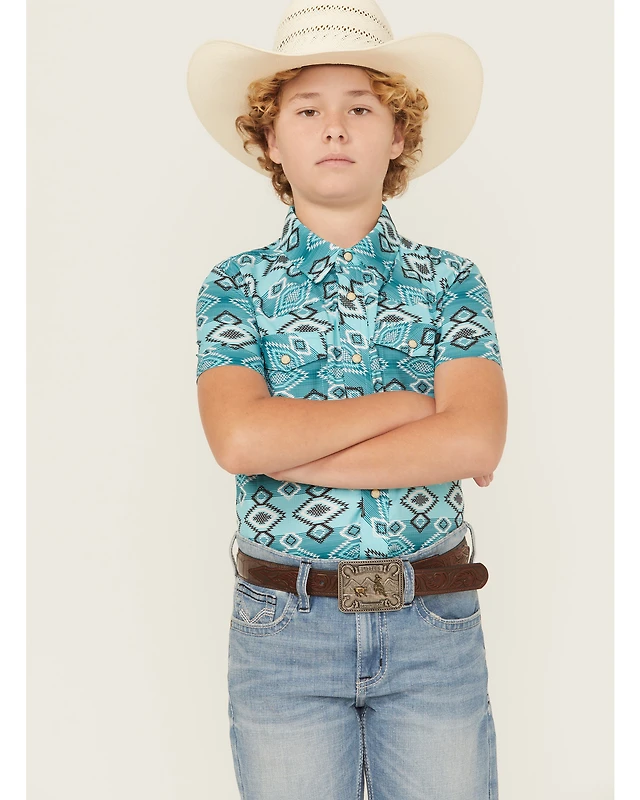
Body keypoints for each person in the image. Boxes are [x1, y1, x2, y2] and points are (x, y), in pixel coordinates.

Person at [187, 2, 508, 798]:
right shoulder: (235, 286)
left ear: (398, 134)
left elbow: (474, 442)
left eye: (360, 108)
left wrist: (291, 448)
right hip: (283, 627)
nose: (334, 127)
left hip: (431, 621)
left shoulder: (450, 281)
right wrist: (410, 404)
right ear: (270, 139)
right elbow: (239, 441)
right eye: (307, 110)